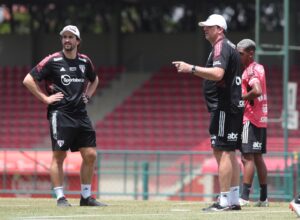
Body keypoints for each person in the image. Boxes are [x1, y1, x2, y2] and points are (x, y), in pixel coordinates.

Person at [23, 25, 107, 207]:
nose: (67, 40)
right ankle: (60, 197)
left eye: (71, 37)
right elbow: (28, 80)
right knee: (59, 156)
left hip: (81, 114)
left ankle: (86, 197)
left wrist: (88, 95)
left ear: (78, 41)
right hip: (60, 114)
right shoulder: (52, 60)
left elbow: (95, 79)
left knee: (91, 155)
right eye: (64, 37)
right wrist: (45, 98)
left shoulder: (85, 61)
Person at [172, 14, 243, 211]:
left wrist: (190, 68)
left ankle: (224, 200)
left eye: (209, 26)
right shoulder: (229, 47)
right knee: (228, 152)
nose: (205, 29)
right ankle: (234, 199)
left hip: (224, 107)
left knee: (224, 151)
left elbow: (218, 74)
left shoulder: (221, 46)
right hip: (231, 106)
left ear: (220, 29)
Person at [237, 39, 269, 207]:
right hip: (261, 118)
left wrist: (239, 97)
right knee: (257, 158)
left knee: (246, 157)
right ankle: (264, 198)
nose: (238, 56)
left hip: (250, 119)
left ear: (250, 53)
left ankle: (243, 197)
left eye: (241, 54)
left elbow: (256, 91)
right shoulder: (259, 68)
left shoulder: (250, 71)